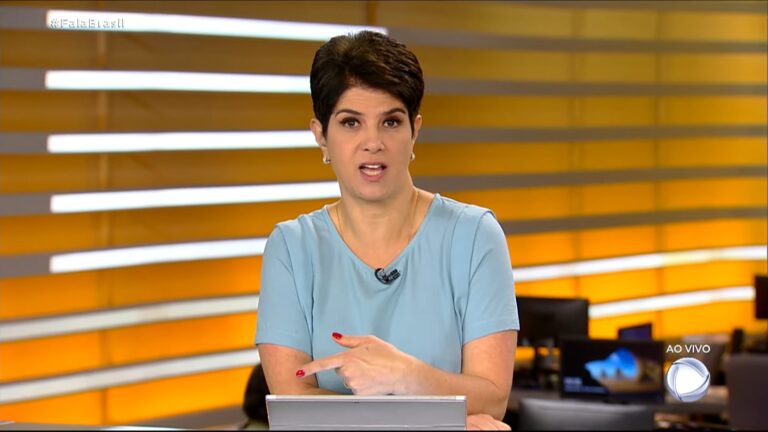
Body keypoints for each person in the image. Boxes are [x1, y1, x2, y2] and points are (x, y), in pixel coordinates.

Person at [255, 30, 519, 430]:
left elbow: (492, 398)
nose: (373, 142)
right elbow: (294, 404)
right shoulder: (291, 248)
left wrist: (405, 374)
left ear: (415, 131)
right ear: (321, 136)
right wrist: (432, 418)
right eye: (350, 123)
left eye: (391, 122)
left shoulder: (475, 235)